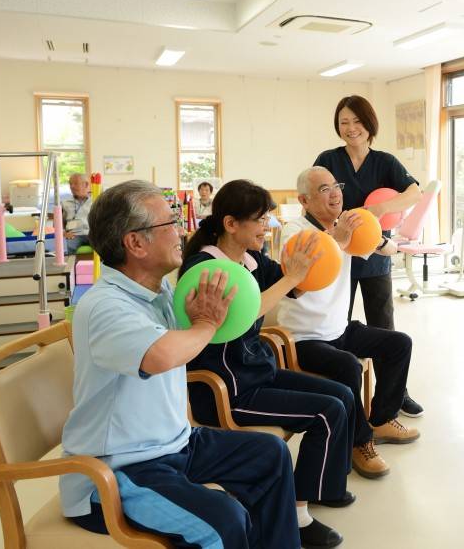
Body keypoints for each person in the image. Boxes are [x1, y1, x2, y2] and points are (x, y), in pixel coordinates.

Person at [60, 179, 300, 548]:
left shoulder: (161, 292)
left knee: (270, 454)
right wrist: (206, 323)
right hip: (117, 468)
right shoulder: (105, 306)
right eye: (169, 224)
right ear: (135, 243)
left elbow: (202, 337)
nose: (182, 231)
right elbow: (160, 356)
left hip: (175, 445)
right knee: (223, 521)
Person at [181, 179, 355, 549]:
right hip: (225, 388)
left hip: (256, 371)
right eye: (260, 220)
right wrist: (291, 275)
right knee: (326, 411)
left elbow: (294, 287)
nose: (268, 227)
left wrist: (309, 263)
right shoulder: (205, 266)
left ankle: (323, 486)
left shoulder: (251, 259)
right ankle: (297, 512)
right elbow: (242, 315)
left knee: (340, 395)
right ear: (231, 224)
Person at [277, 166, 419, 479]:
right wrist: (339, 237)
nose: (335, 193)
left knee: (399, 344)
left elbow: (387, 248)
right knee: (348, 367)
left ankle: (381, 419)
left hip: (339, 328)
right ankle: (360, 443)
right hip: (303, 338)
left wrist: (379, 237)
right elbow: (313, 259)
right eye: (324, 189)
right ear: (304, 200)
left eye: (336, 186)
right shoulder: (294, 231)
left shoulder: (346, 227)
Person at [314, 95, 425, 418]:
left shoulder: (385, 162)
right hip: (339, 254)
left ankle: (395, 395)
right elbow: (314, 196)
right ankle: (341, 393)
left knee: (385, 327)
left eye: (357, 121)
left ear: (369, 124)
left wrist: (381, 208)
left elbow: (415, 191)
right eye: (344, 122)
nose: (351, 128)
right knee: (337, 325)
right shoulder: (328, 159)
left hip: (376, 254)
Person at [61, 173, 92, 253]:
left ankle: (99, 264)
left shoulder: (96, 201)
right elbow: (57, 225)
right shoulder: (65, 203)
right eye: (70, 184)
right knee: (69, 245)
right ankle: (72, 265)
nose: (72, 186)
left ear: (86, 184)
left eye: (75, 183)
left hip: (92, 234)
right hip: (73, 235)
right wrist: (64, 233)